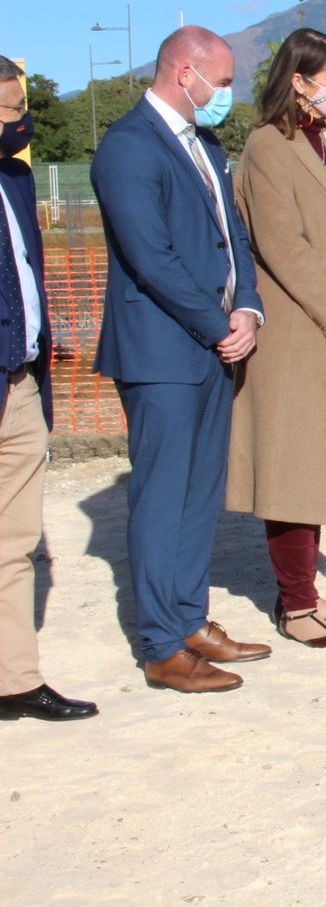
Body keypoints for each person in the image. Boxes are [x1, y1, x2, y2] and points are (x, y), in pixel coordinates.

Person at [91, 26, 271, 693]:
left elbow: (233, 237)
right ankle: (162, 646)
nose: (228, 94)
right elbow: (151, 258)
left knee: (200, 495)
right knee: (163, 498)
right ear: (183, 71)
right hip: (164, 352)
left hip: (216, 345)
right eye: (222, 82)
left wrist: (248, 307)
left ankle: (191, 620)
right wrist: (215, 322)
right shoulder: (128, 147)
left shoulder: (207, 143)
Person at [227, 28, 326, 650]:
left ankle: (307, 592)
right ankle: (295, 605)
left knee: (316, 465)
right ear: (300, 81)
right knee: (293, 470)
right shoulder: (268, 147)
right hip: (293, 331)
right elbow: (283, 247)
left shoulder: (317, 143)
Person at [0, 57, 96, 721]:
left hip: (21, 382)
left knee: (15, 541)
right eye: (11, 112)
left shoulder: (16, 176)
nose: (22, 123)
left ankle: (13, 678)